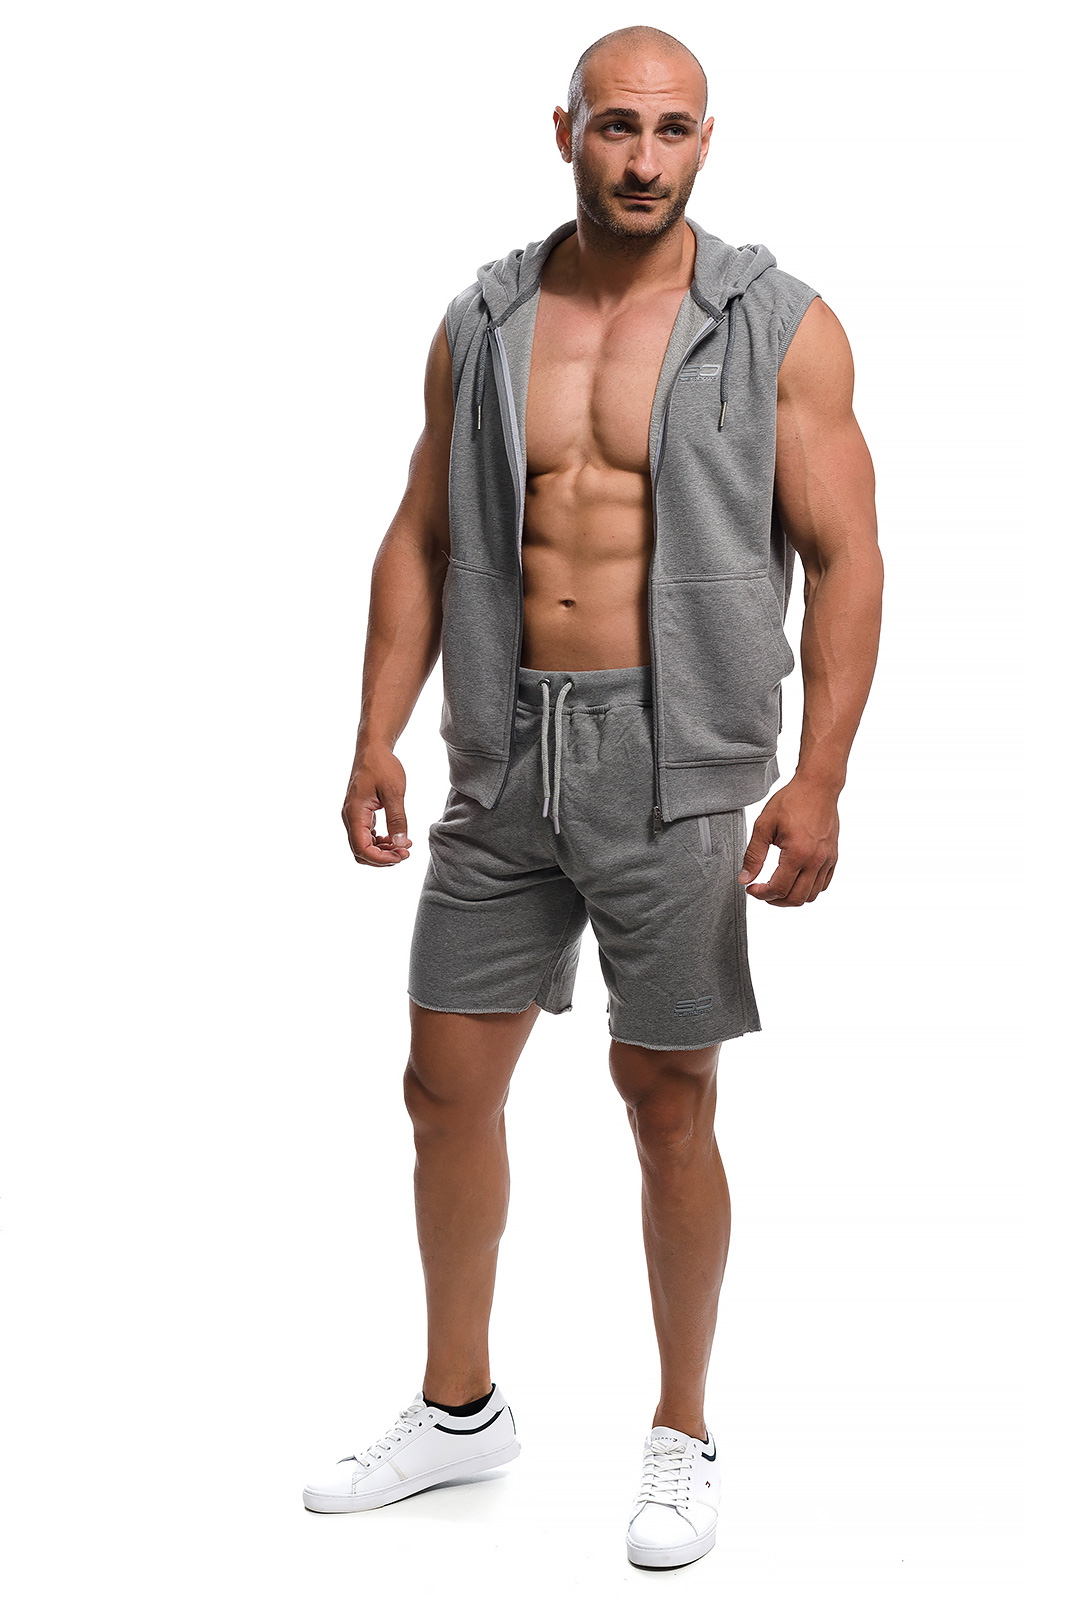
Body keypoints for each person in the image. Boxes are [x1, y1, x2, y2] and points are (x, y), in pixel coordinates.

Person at [303, 24, 882, 1571]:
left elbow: (848, 558)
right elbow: (422, 531)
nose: (643, 157)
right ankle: (459, 1410)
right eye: (616, 125)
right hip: (503, 757)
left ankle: (684, 1430)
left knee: (667, 1097)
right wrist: (376, 734)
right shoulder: (488, 316)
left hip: (674, 764)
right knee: (443, 1089)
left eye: (673, 129)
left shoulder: (780, 325)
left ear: (708, 140)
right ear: (563, 130)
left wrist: (820, 775)